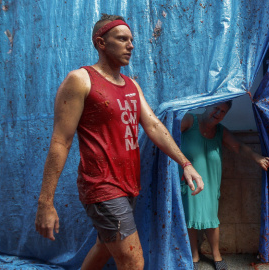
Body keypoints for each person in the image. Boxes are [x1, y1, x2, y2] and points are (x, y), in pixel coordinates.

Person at [34, 14, 204, 270]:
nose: (131, 45)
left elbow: (154, 126)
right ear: (101, 43)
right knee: (133, 261)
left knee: (105, 247)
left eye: (132, 40)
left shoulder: (131, 85)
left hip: (128, 184)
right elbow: (61, 141)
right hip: (101, 185)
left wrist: (185, 163)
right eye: (122, 39)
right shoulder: (81, 80)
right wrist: (45, 203)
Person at [179, 101, 269, 270]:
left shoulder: (221, 131)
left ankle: (216, 255)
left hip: (211, 182)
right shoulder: (189, 120)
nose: (218, 113)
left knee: (212, 218)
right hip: (189, 179)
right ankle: (194, 256)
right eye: (216, 108)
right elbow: (166, 136)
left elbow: (240, 147)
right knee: (190, 218)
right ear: (207, 104)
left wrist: (257, 158)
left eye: (223, 111)